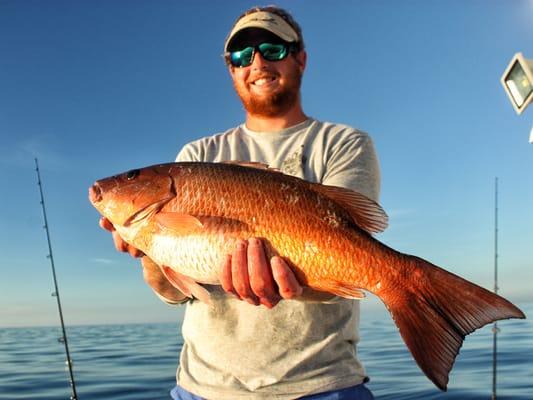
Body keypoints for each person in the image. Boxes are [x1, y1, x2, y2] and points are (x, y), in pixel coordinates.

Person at [100, 6, 380, 400]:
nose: (257, 62)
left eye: (272, 48)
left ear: (300, 58)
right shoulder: (197, 153)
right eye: (241, 55)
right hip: (203, 387)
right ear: (231, 70)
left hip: (322, 385)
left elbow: (346, 260)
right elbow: (176, 290)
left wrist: (300, 280)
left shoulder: (342, 143)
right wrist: (147, 248)